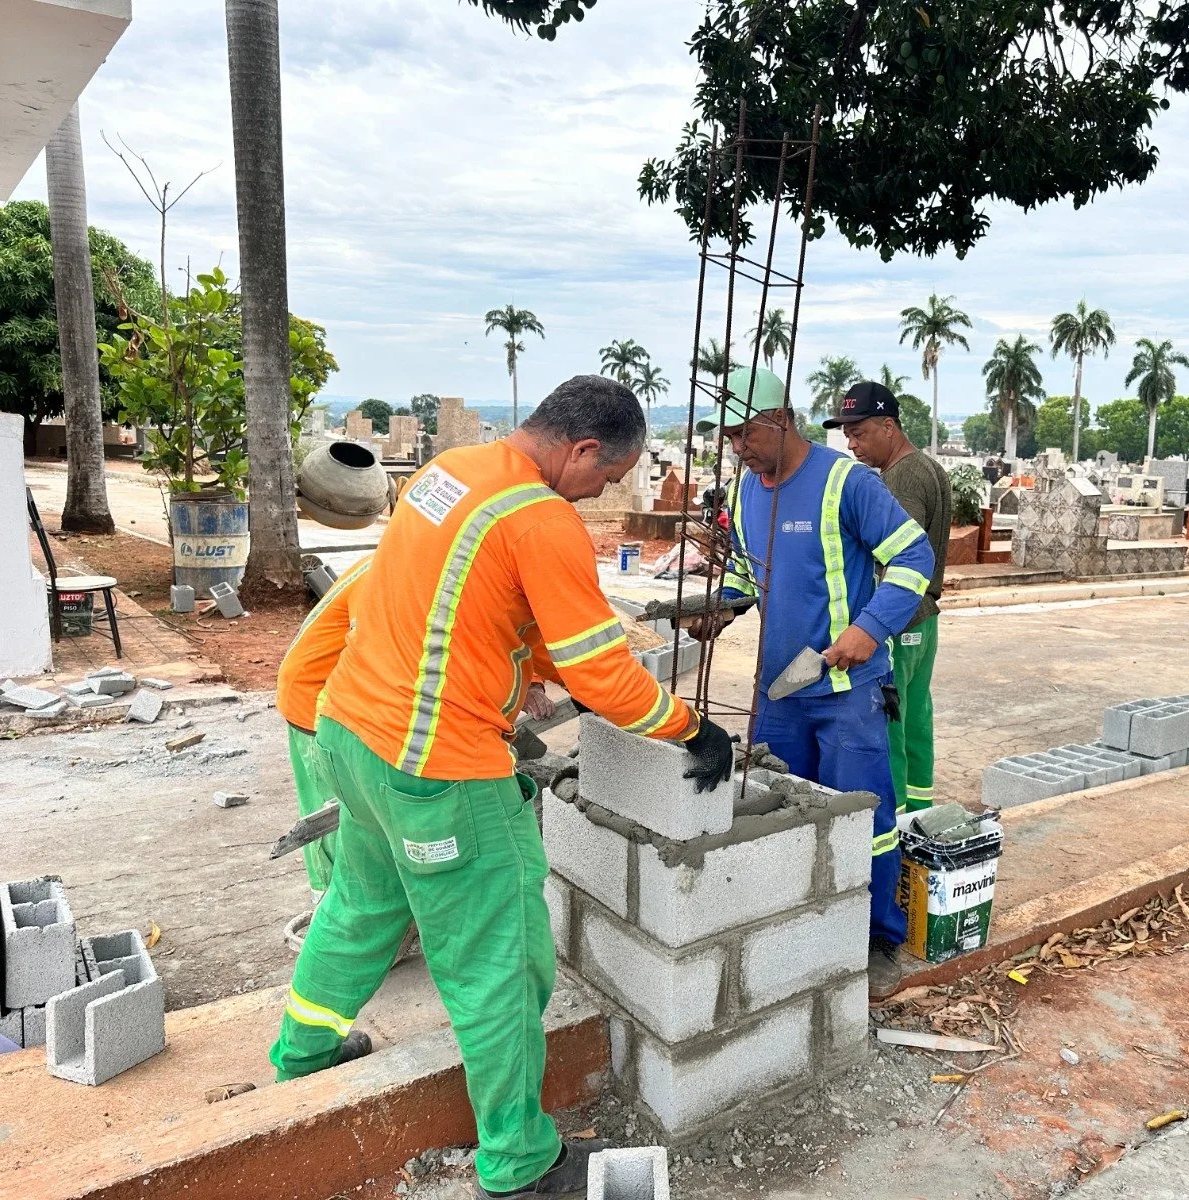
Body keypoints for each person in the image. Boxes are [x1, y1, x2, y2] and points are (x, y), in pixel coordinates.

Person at [269, 376, 734, 1200]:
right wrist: (690, 727)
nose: (600, 494)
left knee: (362, 905)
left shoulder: (447, 474)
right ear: (583, 449)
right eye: (606, 477)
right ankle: (520, 1162)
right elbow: (598, 670)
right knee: (498, 958)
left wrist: (582, 672)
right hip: (436, 766)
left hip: (351, 733)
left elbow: (516, 624)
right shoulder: (541, 517)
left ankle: (302, 1054)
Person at [688, 367, 936, 1000]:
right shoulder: (748, 490)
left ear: (781, 421)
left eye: (745, 434)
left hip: (848, 690)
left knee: (864, 817)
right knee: (775, 810)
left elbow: (915, 557)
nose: (739, 449)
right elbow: (751, 572)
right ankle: (794, 925)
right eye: (731, 437)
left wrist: (870, 629)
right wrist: (725, 607)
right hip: (782, 692)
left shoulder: (845, 482)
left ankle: (879, 937)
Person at [828, 382, 952, 816]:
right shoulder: (929, 467)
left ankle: (896, 818)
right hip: (926, 618)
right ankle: (921, 810)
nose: (852, 444)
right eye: (847, 435)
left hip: (900, 620)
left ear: (888, 426)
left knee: (891, 724)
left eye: (859, 433)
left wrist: (875, 622)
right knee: (916, 716)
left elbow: (903, 555)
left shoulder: (901, 478)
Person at [273, 554, 373, 900]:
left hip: (323, 688)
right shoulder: (383, 577)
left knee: (349, 805)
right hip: (314, 696)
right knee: (329, 809)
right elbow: (374, 652)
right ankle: (327, 897)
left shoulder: (388, 561)